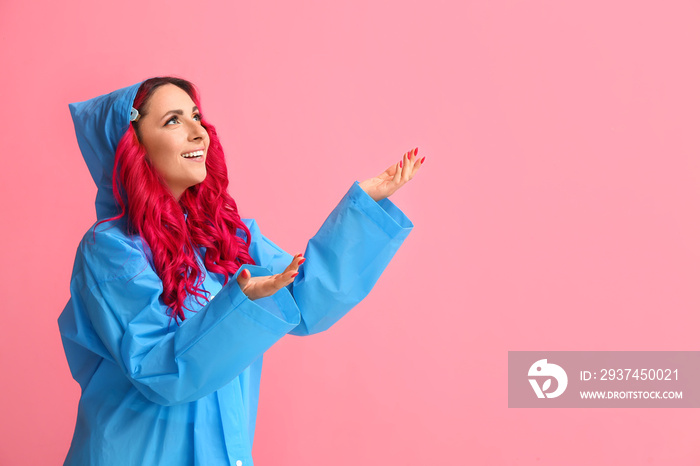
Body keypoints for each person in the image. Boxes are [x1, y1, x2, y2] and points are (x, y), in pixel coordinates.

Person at [58, 76, 424, 466]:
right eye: (173, 121)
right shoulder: (111, 250)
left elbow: (305, 298)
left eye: (197, 117)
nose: (199, 132)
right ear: (134, 148)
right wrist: (241, 302)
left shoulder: (227, 236)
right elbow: (160, 370)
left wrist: (363, 208)